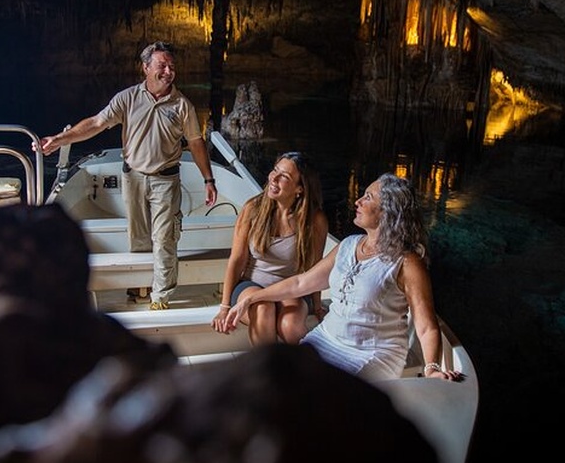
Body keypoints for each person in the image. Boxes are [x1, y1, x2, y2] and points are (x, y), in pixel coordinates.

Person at [224, 173, 463, 382]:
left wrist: (431, 368)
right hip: (326, 338)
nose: (357, 201)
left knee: (324, 397)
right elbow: (301, 282)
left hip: (373, 353)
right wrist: (250, 299)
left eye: (368, 197)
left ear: (388, 212)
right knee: (282, 381)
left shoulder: (407, 262)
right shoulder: (349, 245)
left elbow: (426, 326)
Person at [33, 41, 217, 310]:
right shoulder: (127, 98)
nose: (168, 71)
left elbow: (196, 142)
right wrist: (60, 139)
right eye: (162, 65)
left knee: (165, 238)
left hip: (166, 180)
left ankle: (161, 296)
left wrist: (208, 179)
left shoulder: (182, 106)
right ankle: (140, 286)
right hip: (133, 178)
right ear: (145, 68)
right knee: (139, 237)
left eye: (171, 66)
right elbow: (96, 123)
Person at [211, 151, 328, 345]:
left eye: (284, 176)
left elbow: (315, 268)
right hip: (250, 284)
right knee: (264, 309)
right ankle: (267, 372)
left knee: (290, 325)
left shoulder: (314, 220)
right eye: (275, 171)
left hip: (290, 289)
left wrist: (317, 306)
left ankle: (312, 371)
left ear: (300, 188)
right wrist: (224, 307)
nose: (274, 178)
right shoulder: (253, 209)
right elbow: (237, 259)